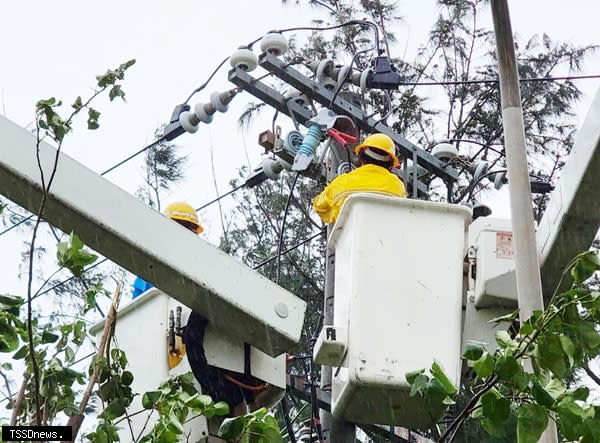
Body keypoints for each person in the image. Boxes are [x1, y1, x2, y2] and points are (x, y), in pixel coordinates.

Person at [313, 133, 407, 224]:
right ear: (390, 164)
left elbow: (319, 206)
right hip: (386, 238)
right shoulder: (397, 185)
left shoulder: (342, 182)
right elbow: (404, 215)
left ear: (361, 157)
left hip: (351, 239)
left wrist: (334, 213)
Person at [131, 201, 204, 299]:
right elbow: (139, 309)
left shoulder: (199, 268)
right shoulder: (147, 274)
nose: (181, 235)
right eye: (178, 228)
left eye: (186, 229)